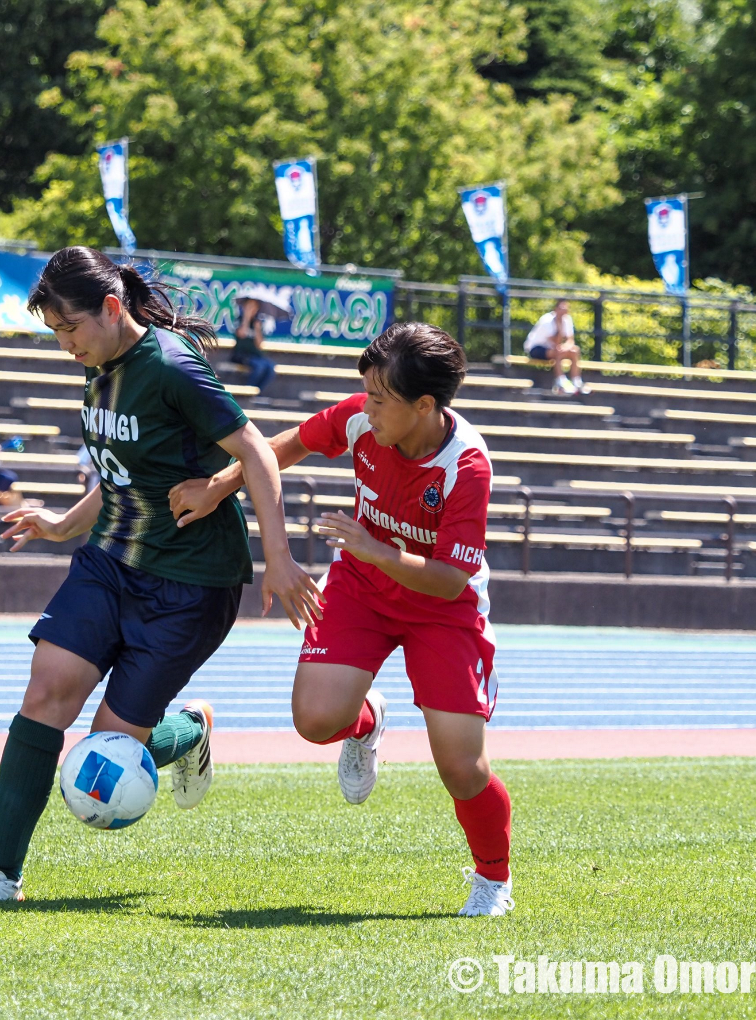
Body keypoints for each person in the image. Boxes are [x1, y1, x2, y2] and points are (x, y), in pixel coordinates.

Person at [0, 246, 321, 903]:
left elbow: (257, 451)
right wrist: (64, 524)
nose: (66, 345)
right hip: (110, 562)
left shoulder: (171, 365)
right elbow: (125, 471)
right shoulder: (99, 366)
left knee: (104, 757)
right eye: (55, 332)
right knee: (46, 690)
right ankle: (0, 877)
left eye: (71, 328)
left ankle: (192, 729)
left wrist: (278, 557)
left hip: (191, 582)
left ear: (112, 309)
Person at [168, 321, 514, 917]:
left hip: (443, 609)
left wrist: (375, 548)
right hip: (361, 587)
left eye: (380, 399)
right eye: (367, 394)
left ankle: (492, 879)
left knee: (461, 768)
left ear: (424, 405)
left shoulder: (467, 466)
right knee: (315, 720)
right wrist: (220, 487)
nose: (366, 408)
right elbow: (282, 446)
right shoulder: (362, 417)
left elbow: (448, 579)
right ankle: (365, 721)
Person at [524, 298, 588, 395]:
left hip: (553, 348)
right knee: (558, 352)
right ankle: (561, 381)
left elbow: (570, 340)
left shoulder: (567, 319)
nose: (563, 311)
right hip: (536, 348)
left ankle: (576, 381)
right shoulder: (546, 321)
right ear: (556, 309)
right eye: (561, 308)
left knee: (575, 351)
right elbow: (556, 342)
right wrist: (559, 326)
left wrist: (567, 346)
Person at [231, 295, 277, 390]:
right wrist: (246, 318)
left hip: (255, 355)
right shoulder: (239, 320)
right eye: (249, 306)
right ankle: (248, 390)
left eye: (254, 307)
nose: (252, 309)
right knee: (259, 367)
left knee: (270, 367)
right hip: (242, 355)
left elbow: (259, 344)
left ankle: (257, 391)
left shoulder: (257, 323)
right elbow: (242, 334)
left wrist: (257, 329)